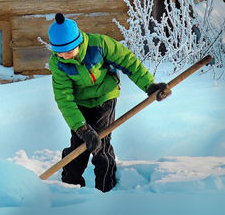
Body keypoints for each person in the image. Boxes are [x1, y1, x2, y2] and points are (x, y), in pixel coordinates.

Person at [48, 13, 170, 192]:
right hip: (79, 103)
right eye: (59, 53)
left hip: (104, 97)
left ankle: (106, 190)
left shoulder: (100, 45)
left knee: (100, 144)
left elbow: (129, 63)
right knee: (79, 146)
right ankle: (68, 190)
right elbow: (64, 98)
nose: (64, 57)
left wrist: (149, 86)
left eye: (68, 52)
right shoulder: (58, 64)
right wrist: (81, 128)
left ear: (78, 42)